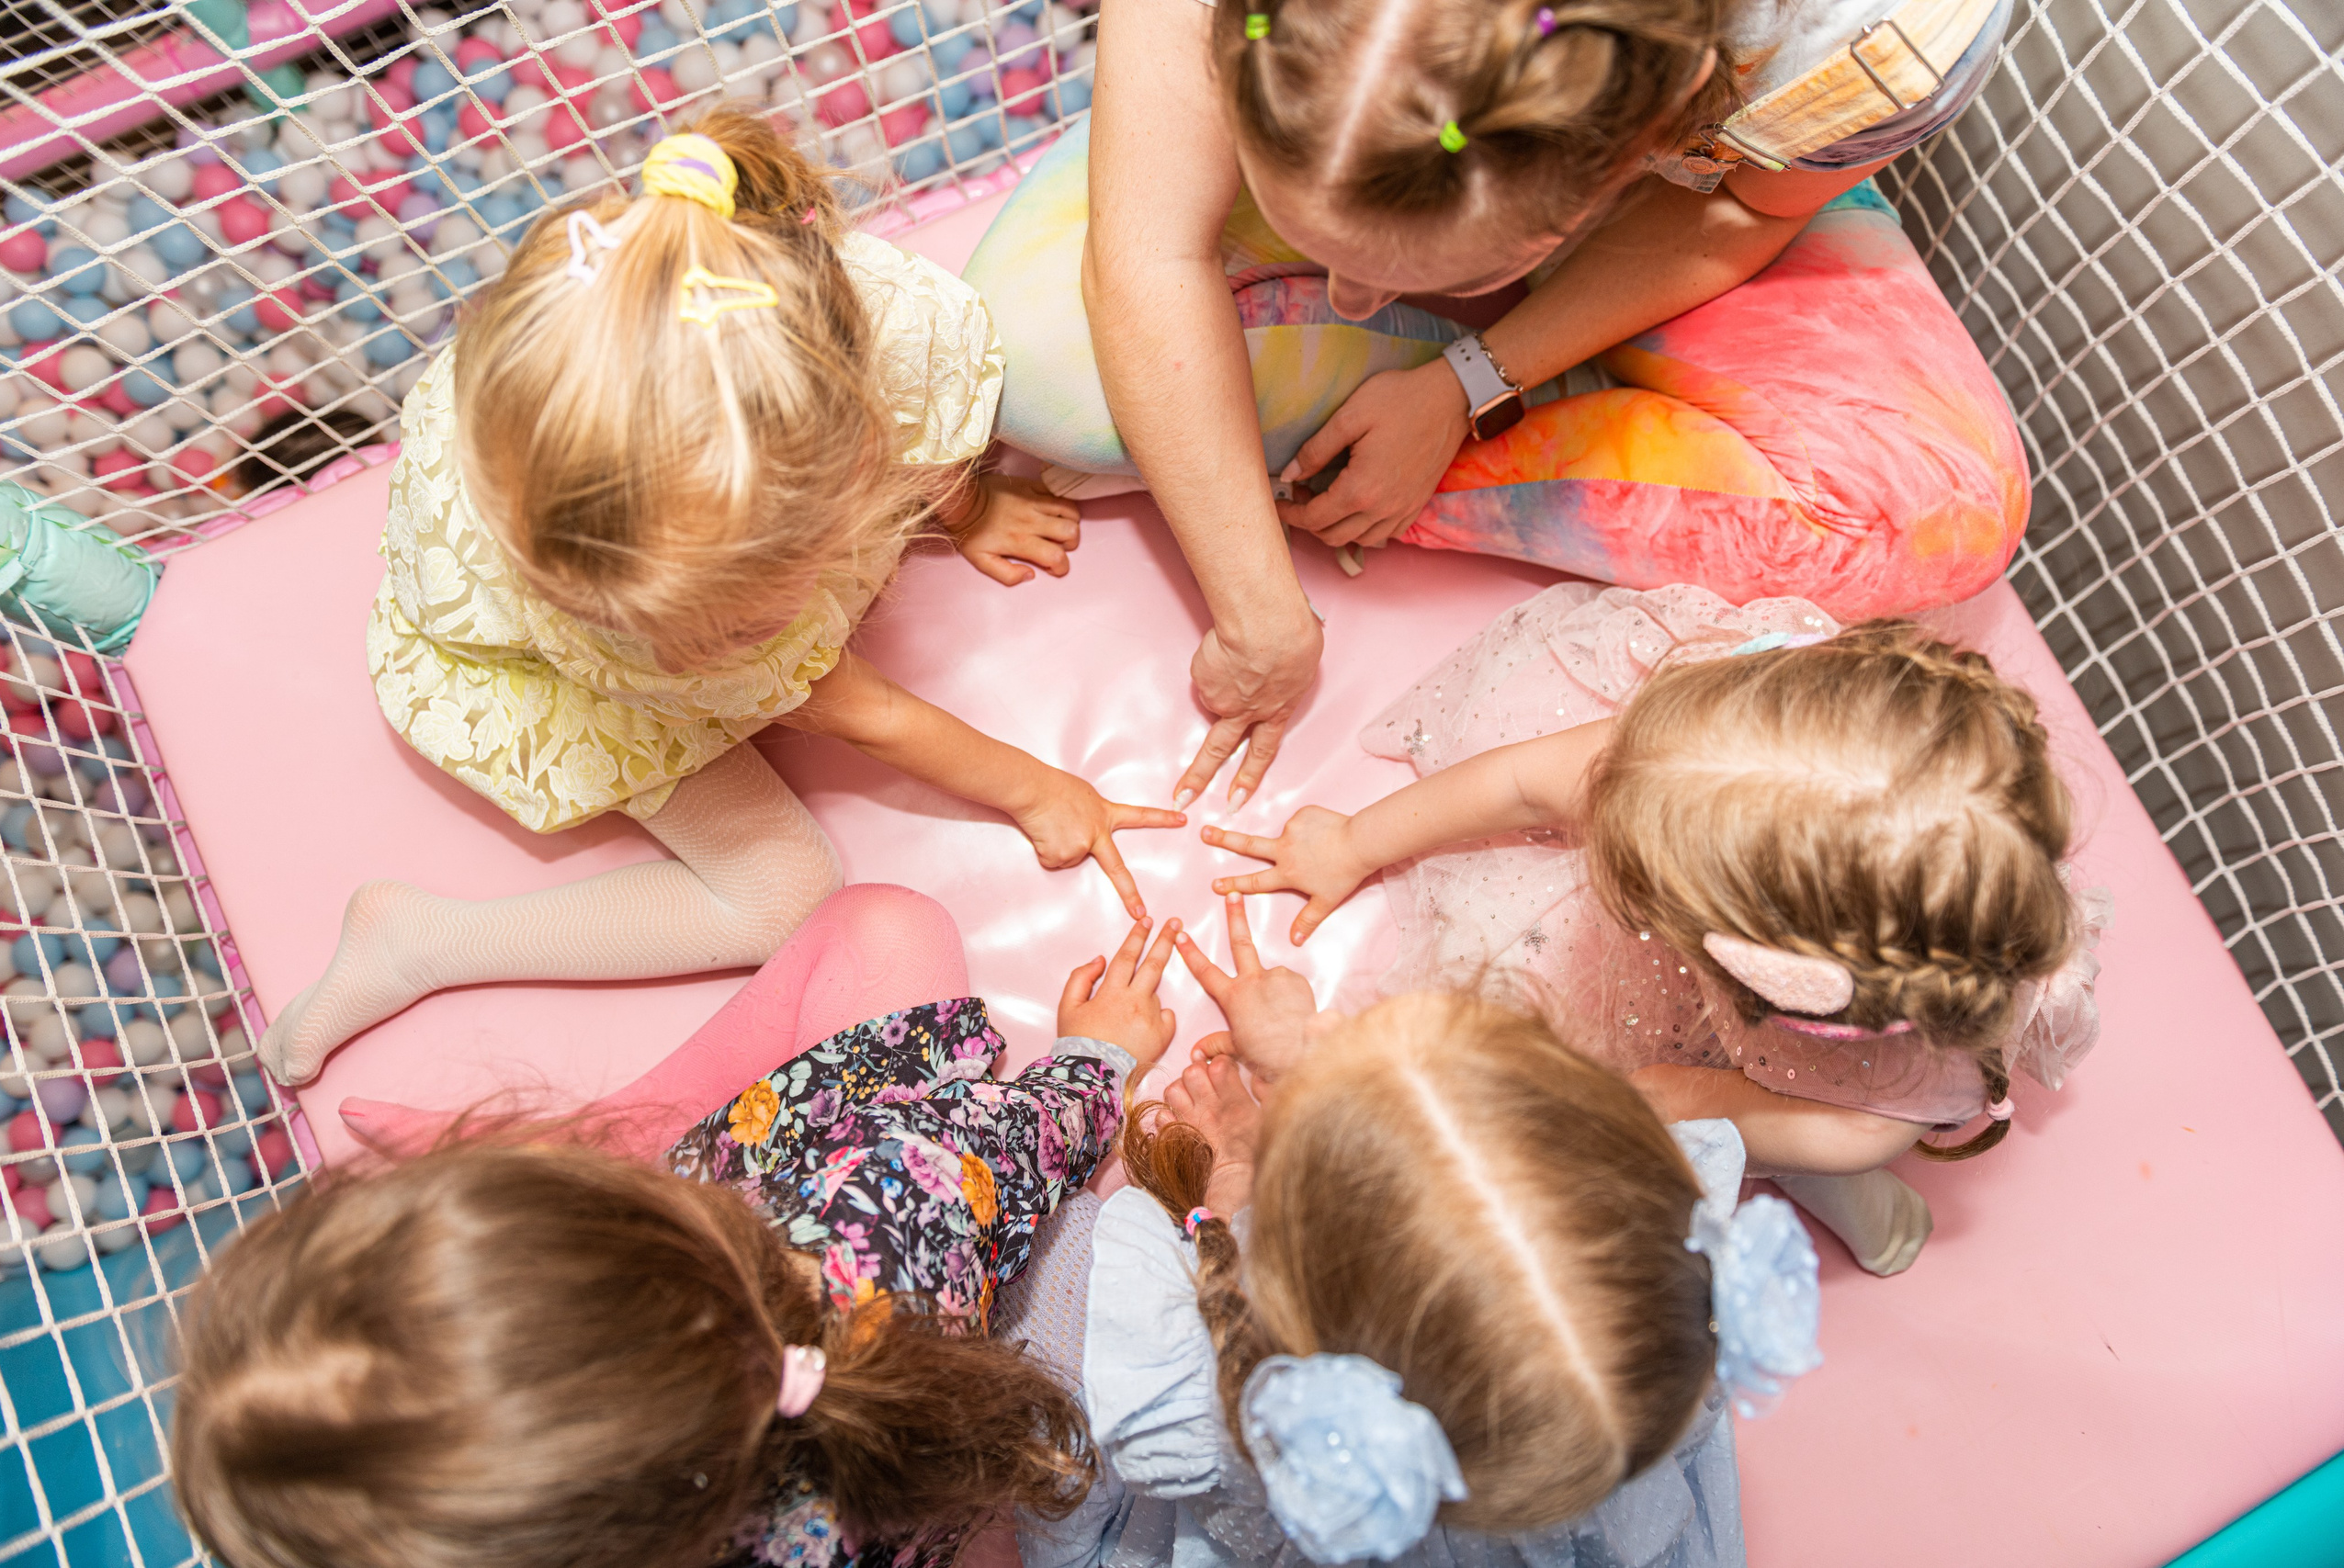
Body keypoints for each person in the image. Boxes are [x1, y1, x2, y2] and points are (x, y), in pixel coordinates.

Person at [259, 105, 1181, 1085]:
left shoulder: (875, 337)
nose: (705, 652)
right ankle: (424, 942)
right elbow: (868, 715)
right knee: (786, 897)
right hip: (534, 659)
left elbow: (929, 423)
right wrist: (1042, 792)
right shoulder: (614, 572)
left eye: (733, 622)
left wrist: (970, 505)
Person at [964, 0, 2026, 808]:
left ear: (1648, 133)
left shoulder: (1884, 36)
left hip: (1711, 193)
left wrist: (1470, 383)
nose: (1354, 300)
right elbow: (1149, 252)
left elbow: (1743, 201)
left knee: (1929, 518)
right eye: (1338, 260)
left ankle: (1397, 409)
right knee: (1016, 358)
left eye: (1398, 275)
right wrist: (1258, 612)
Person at [172, 888, 1183, 1568]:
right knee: (881, 924)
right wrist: (1099, 1058)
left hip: (886, 1469)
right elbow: (1020, 1141)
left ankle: (636, 1128)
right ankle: (636, 1128)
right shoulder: (884, 1212)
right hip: (906, 1291)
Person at [1202, 586, 2106, 1275]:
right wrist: (1355, 842)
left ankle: (1797, 1168)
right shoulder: (1727, 752)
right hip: (1834, 1010)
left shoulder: (1864, 1119)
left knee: (1742, 1132)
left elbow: (1659, 1097)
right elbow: (1524, 784)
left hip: (1817, 1091)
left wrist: (1345, 1069)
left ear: (1746, 968)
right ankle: (1780, 1144)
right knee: (1762, 1121)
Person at [1023, 942, 1822, 1568]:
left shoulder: (1232, 1406)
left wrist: (1233, 1171)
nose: (1335, 1026)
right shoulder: (1643, 1334)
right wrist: (1307, 1063)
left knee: (1058, 1276)